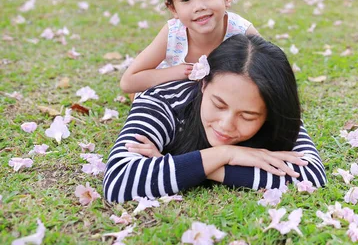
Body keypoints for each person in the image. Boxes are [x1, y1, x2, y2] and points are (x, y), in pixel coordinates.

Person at [103, 35, 327, 203]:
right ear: (203, 84)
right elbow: (119, 180)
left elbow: (311, 176)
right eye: (219, 105)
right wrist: (226, 153)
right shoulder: (162, 99)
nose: (226, 125)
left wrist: (194, 166)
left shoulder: (275, 111)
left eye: (248, 116)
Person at [120, 0, 259, 94]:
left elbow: (273, 71)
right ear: (173, 8)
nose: (198, 7)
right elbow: (128, 82)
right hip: (174, 97)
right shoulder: (173, 34)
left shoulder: (242, 31)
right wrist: (176, 73)